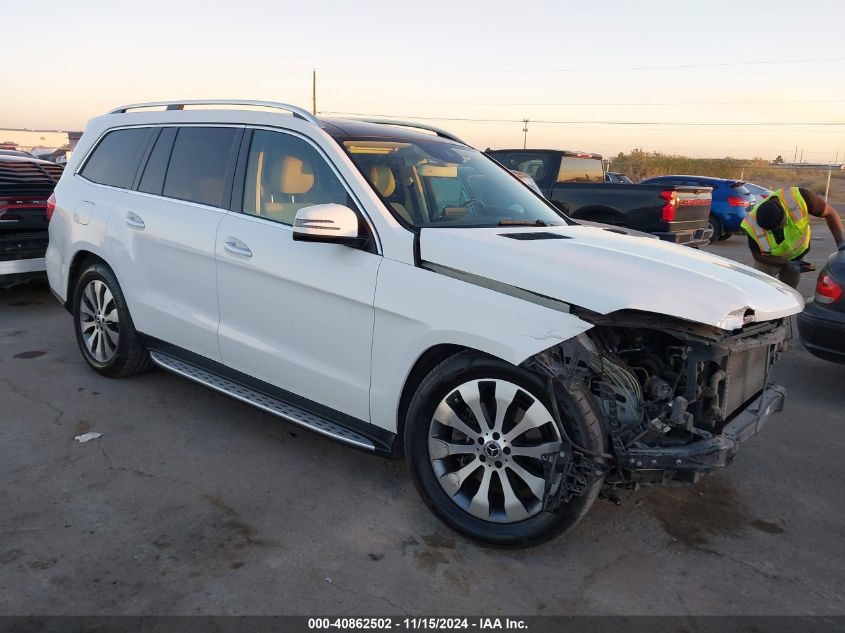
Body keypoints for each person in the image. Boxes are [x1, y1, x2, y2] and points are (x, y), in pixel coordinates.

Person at [742, 186, 844, 288]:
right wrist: (787, 263)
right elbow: (758, 256)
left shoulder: (800, 197)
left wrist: (842, 245)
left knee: (790, 291)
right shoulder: (751, 224)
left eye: (779, 226)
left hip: (797, 256)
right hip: (769, 259)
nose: (777, 231)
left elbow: (830, 213)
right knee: (759, 288)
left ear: (784, 213)